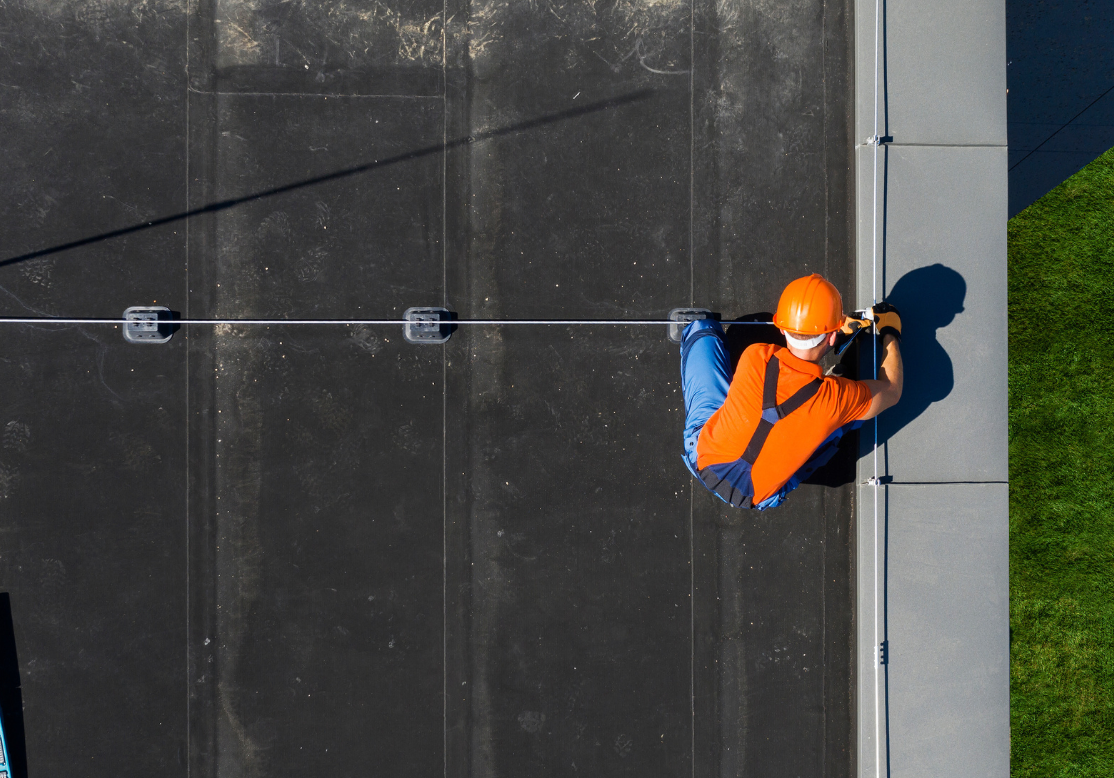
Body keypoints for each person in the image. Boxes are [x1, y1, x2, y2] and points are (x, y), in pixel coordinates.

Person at [679, 273, 903, 509]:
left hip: (702, 457)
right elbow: (892, 390)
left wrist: (831, 332)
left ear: (782, 328)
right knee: (846, 418)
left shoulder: (755, 355)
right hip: (755, 497)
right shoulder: (838, 398)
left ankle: (696, 329)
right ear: (832, 337)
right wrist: (891, 333)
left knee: (701, 329)